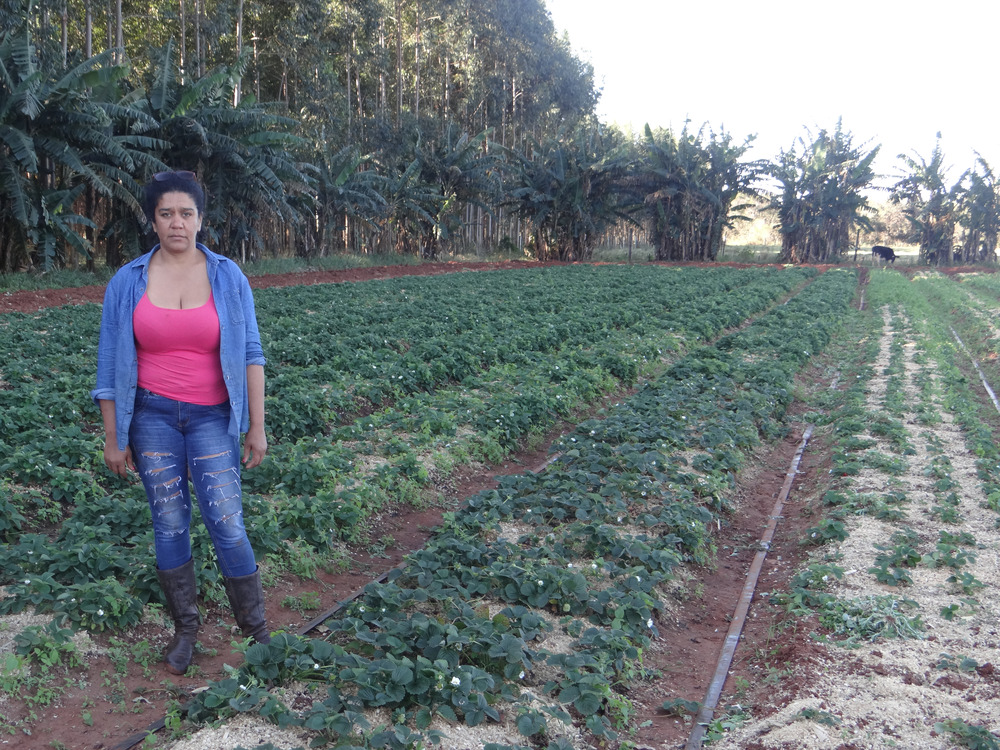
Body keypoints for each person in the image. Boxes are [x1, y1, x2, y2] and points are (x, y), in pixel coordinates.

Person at [91, 170, 271, 675]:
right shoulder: (127, 282)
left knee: (227, 522)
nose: (177, 222)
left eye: (186, 213)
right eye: (166, 213)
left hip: (214, 415)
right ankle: (186, 629)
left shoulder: (228, 276)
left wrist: (256, 426)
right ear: (152, 220)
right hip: (151, 418)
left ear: (200, 219)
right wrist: (113, 438)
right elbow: (108, 366)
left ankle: (256, 632)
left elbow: (252, 353)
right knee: (169, 522)